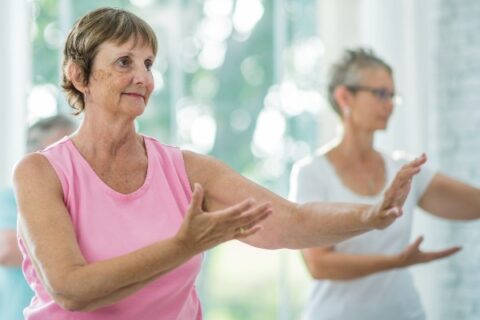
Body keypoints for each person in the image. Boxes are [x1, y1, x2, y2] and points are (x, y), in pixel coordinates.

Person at [13, 9, 425, 320]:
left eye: (149, 63)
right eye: (125, 62)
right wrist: (183, 246)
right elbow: (71, 289)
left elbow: (292, 221)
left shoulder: (185, 169)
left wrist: (370, 216)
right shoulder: (40, 172)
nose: (144, 77)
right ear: (79, 75)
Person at [290, 48, 480, 320]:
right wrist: (396, 262)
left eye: (392, 95)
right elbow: (319, 264)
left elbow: (473, 204)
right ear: (345, 97)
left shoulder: (405, 171)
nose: (389, 103)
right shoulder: (311, 173)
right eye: (380, 94)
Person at [0, 115, 76, 320]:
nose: (70, 157)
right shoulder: (11, 197)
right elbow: (7, 250)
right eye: (59, 148)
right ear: (34, 154)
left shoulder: (77, 199)